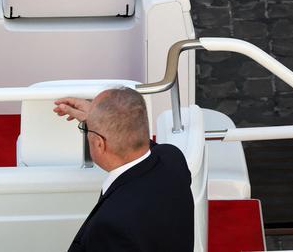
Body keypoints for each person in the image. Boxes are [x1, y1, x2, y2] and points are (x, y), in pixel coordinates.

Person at [54, 88, 194, 252]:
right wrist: (97, 118)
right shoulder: (172, 158)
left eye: (86, 129)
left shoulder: (111, 226)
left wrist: (96, 120)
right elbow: (135, 136)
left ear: (100, 144)